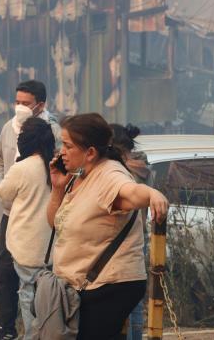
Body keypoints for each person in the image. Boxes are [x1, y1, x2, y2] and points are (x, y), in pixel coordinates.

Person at [47, 113, 168, 340]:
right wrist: (57, 189)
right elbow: (56, 223)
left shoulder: (110, 173)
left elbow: (130, 192)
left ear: (90, 152)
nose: (61, 151)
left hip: (107, 286)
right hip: (82, 285)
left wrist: (152, 193)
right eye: (61, 144)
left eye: (67, 145)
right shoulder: (79, 174)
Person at [0, 80, 60, 340]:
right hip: (12, 213)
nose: (19, 107)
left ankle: (38, 332)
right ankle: (7, 327)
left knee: (36, 283)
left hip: (41, 217)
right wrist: (2, 184)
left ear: (40, 105)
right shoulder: (9, 128)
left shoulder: (51, 130)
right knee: (6, 272)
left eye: (25, 103)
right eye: (17, 101)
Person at [109, 123, 149, 340]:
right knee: (134, 304)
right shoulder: (139, 169)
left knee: (126, 304)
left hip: (123, 241)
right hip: (137, 241)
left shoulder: (124, 175)